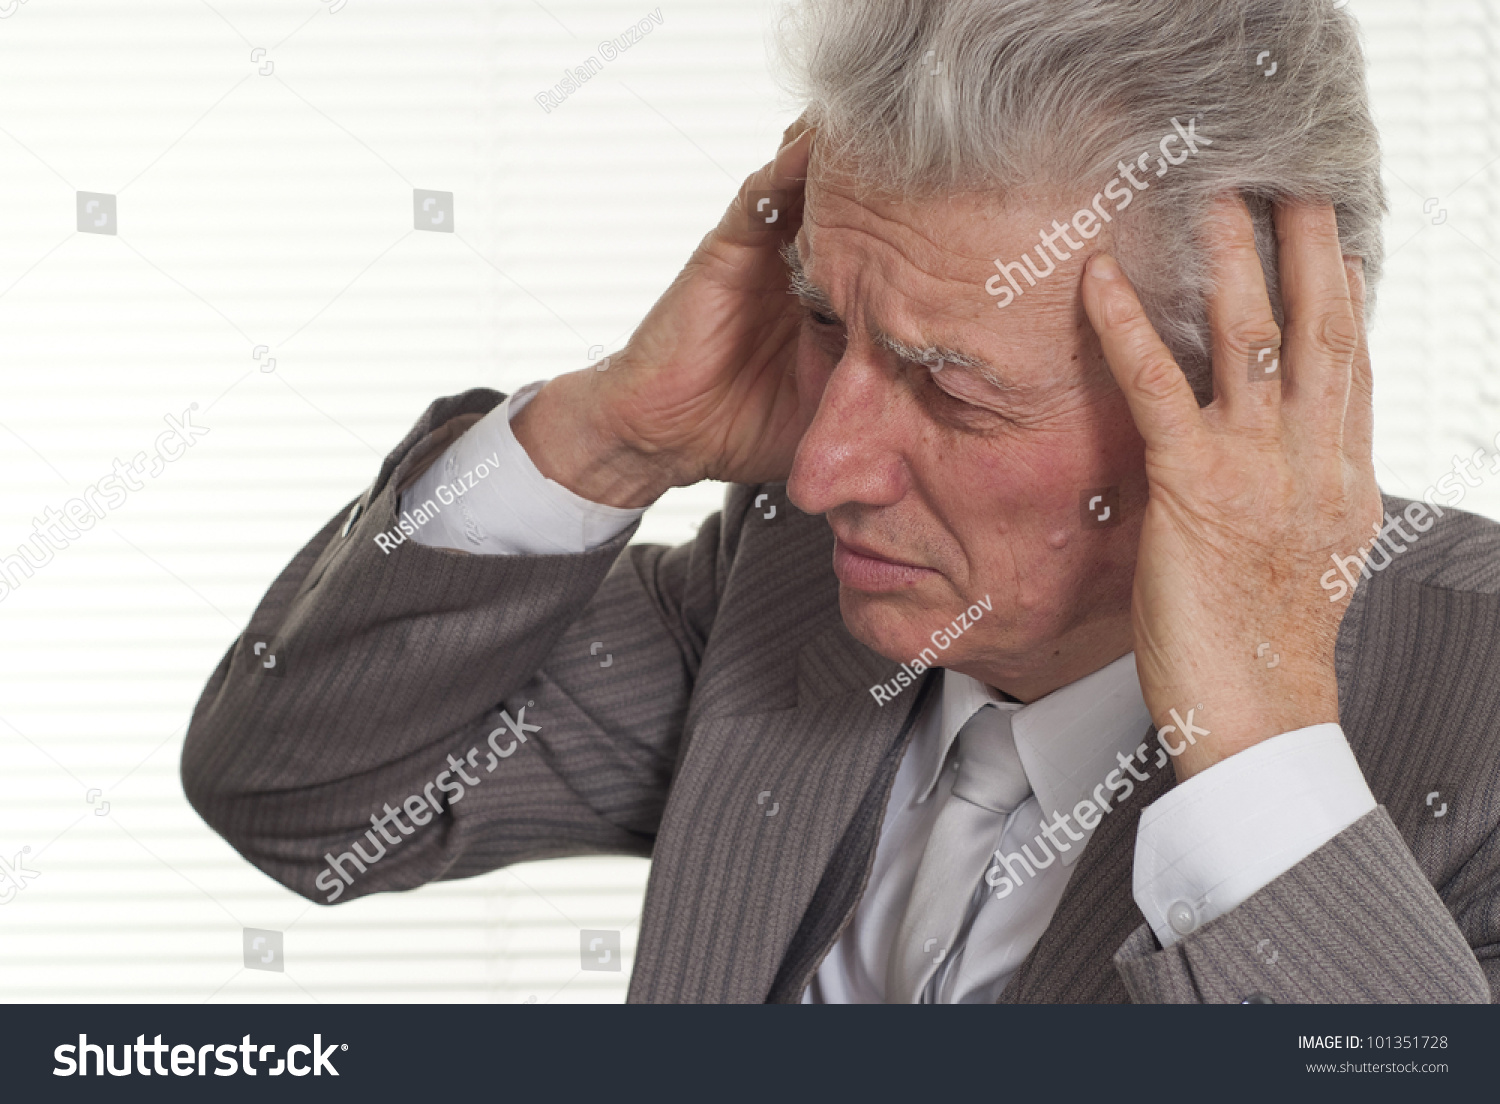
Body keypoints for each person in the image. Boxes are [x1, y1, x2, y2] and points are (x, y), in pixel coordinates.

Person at [182, 0, 1500, 1003]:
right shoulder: (784, 575)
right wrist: (615, 437)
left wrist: (1262, 740)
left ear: (1241, 397)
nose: (819, 469)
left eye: (952, 387)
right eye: (825, 321)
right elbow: (305, 798)